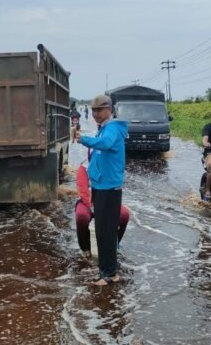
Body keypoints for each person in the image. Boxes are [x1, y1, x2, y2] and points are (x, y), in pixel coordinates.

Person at [75, 94, 128, 286]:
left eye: (99, 110)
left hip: (108, 187)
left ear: (109, 109)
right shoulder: (104, 128)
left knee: (105, 231)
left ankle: (109, 274)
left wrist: (84, 139)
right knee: (101, 231)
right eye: (94, 110)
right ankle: (107, 271)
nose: (96, 114)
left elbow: (105, 144)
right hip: (100, 185)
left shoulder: (112, 128)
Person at [74, 161, 130, 258]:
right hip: (87, 202)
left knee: (124, 215)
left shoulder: (110, 166)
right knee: (81, 216)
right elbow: (83, 191)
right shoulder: (84, 168)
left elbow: (114, 187)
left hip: (107, 202)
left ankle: (114, 243)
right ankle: (85, 247)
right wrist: (96, 208)